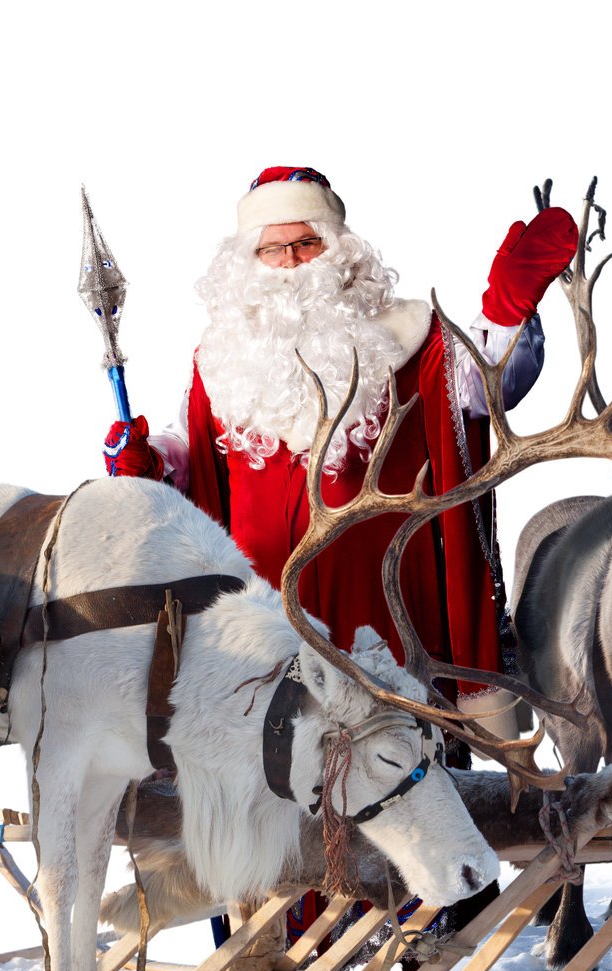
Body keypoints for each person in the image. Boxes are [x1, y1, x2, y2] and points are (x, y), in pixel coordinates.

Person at [105, 165, 576, 706]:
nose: (289, 263)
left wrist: (507, 310)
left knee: (393, 755)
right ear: (246, 264)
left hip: (386, 605)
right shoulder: (220, 359)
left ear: (339, 251)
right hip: (258, 612)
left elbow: (483, 381)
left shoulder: (408, 338)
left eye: (306, 243)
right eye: (272, 249)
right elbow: (191, 449)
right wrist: (148, 463)